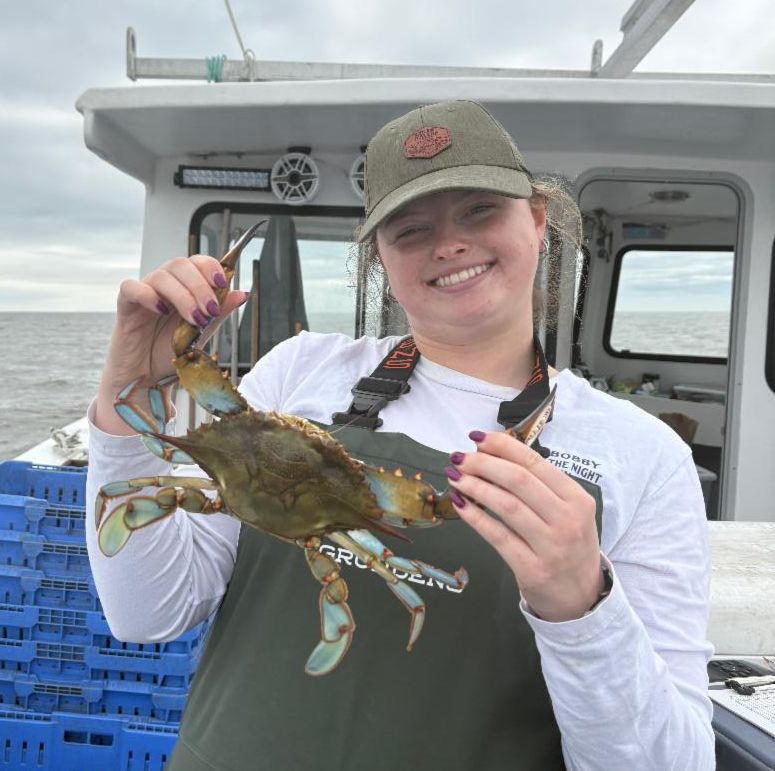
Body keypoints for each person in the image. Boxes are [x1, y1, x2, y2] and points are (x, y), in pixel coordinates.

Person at [85, 100, 714, 770]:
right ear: (382, 258)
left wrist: (582, 606)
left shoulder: (637, 453)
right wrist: (129, 399)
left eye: (479, 210)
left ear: (535, 222)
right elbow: (146, 615)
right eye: (410, 229)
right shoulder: (298, 371)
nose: (449, 243)